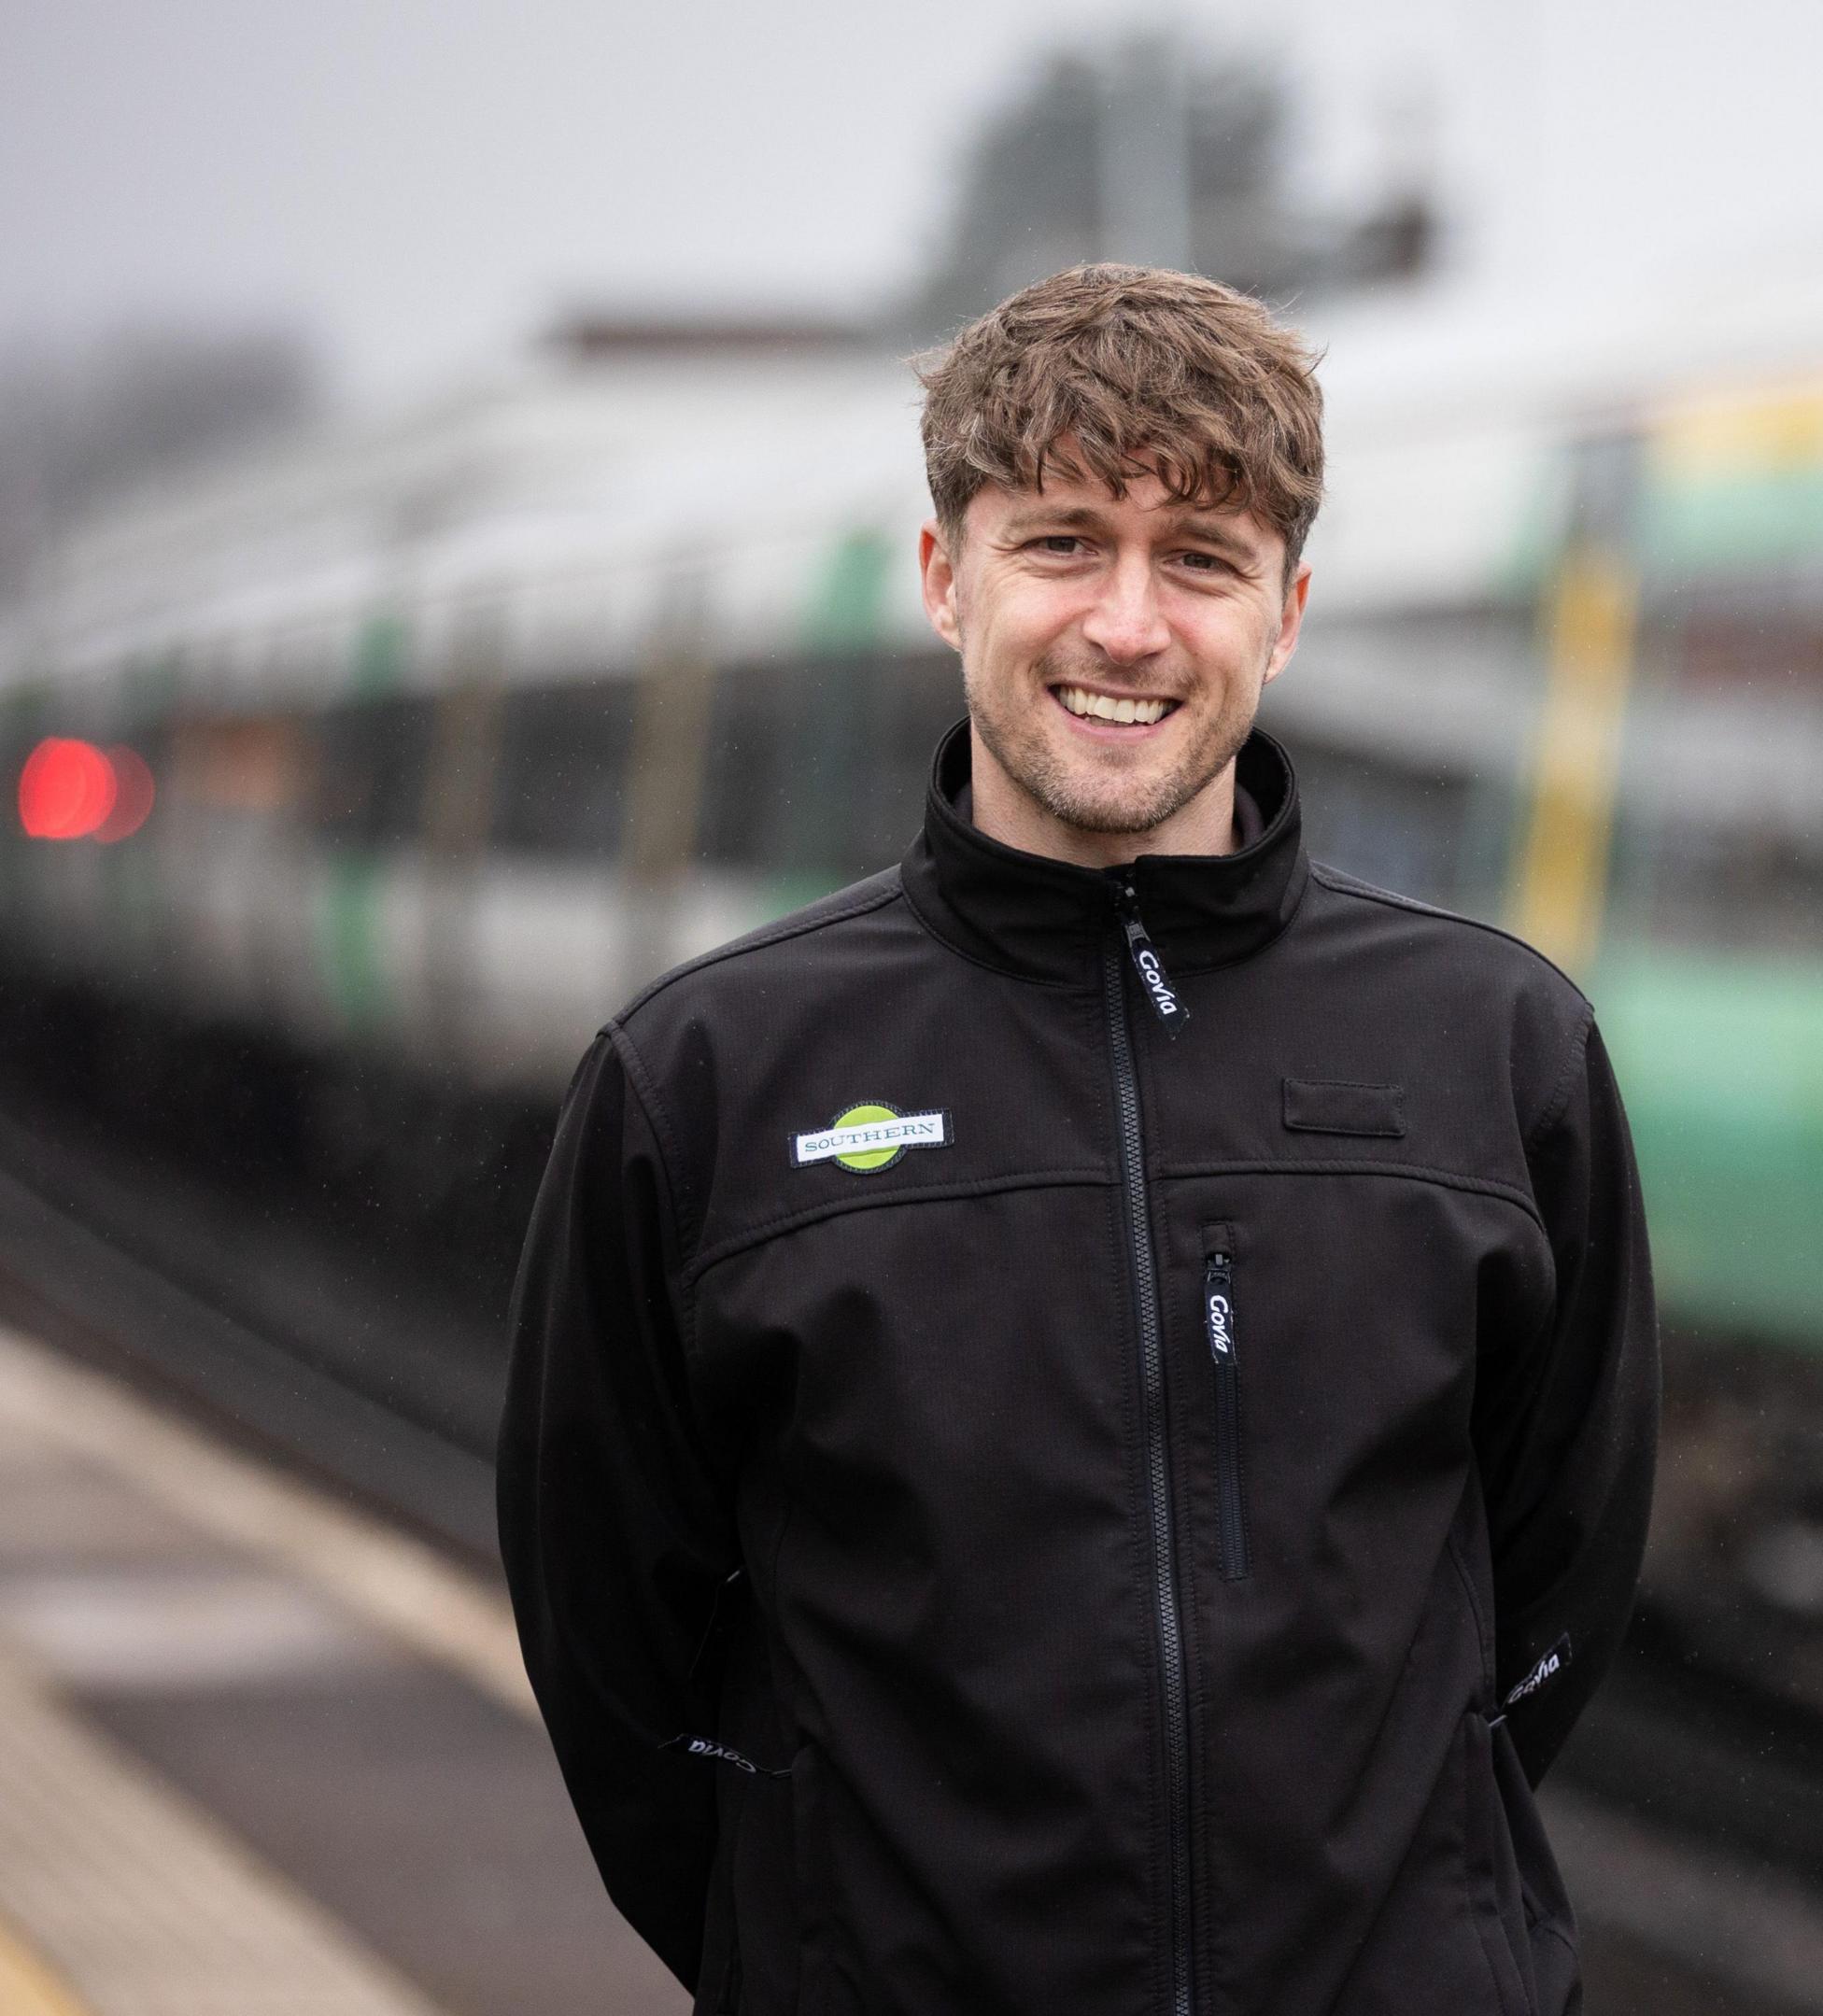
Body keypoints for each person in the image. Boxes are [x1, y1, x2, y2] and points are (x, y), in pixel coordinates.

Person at [500, 262, 1656, 2015]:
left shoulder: (1499, 1051)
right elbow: (612, 1640)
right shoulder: (708, 1076)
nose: (1129, 624)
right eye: (1060, 543)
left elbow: (1560, 1578)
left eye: (1202, 559)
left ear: (1287, 613)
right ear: (943, 576)